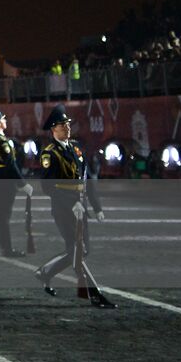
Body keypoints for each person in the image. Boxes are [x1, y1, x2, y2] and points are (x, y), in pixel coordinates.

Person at [32, 105, 115, 308]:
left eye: (68, 124)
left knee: (82, 251)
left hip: (81, 205)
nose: (67, 127)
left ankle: (46, 272)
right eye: (62, 125)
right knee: (78, 250)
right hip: (64, 208)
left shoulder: (76, 148)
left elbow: (86, 181)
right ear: (53, 129)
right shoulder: (49, 153)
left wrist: (96, 207)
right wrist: (72, 204)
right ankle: (95, 295)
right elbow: (48, 187)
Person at [0, 107, 27, 256]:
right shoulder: (1, 142)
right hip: (6, 183)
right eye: (3, 119)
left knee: (1, 216)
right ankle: (7, 249)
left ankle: (5, 246)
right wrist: (23, 183)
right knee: (4, 216)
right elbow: (11, 165)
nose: (5, 121)